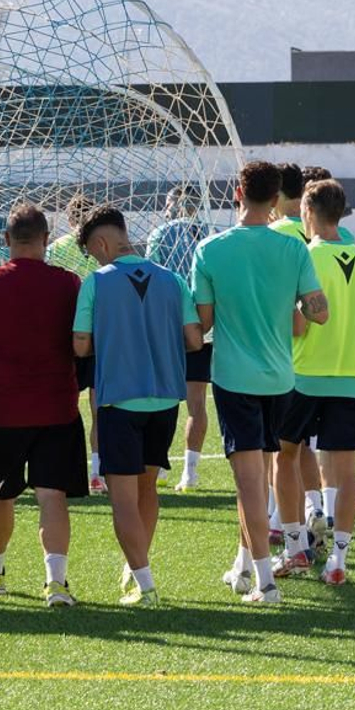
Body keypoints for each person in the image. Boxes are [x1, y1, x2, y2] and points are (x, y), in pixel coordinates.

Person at [192, 160, 328, 604]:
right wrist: (290, 302)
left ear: (237, 193)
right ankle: (244, 566)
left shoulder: (210, 250)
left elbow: (204, 323)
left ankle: (266, 582)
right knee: (263, 475)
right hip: (280, 378)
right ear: (275, 200)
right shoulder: (293, 249)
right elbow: (318, 312)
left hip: (234, 377)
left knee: (249, 481)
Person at [75, 206, 204, 606]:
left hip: (120, 400)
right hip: (164, 399)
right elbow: (195, 340)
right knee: (147, 488)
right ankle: (136, 569)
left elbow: (80, 344)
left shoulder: (96, 281)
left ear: (100, 243)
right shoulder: (173, 279)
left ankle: (146, 585)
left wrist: (115, 340)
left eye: (91, 253)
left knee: (123, 499)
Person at [0, 203, 88, 607]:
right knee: (52, 495)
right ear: (46, 239)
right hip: (57, 406)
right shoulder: (68, 283)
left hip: (3, 407)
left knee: (1, 493)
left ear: (6, 239)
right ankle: (56, 582)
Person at [274, 180, 355, 584]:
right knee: (347, 474)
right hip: (351, 380)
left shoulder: (304, 257)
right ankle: (338, 560)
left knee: (285, 457)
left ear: (308, 211)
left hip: (304, 376)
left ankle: (295, 547)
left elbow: (298, 324)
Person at [147, 184, 212, 492]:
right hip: (201, 327)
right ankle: (189, 472)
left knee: (162, 399)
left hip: (168, 327)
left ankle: (159, 464)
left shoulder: (160, 234)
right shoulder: (208, 234)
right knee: (196, 402)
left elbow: (150, 279)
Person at [45, 193, 106, 492]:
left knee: (65, 407)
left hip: (67, 335)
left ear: (70, 220)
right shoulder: (100, 246)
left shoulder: (57, 248)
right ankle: (97, 471)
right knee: (99, 407)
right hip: (98, 335)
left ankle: (63, 469)